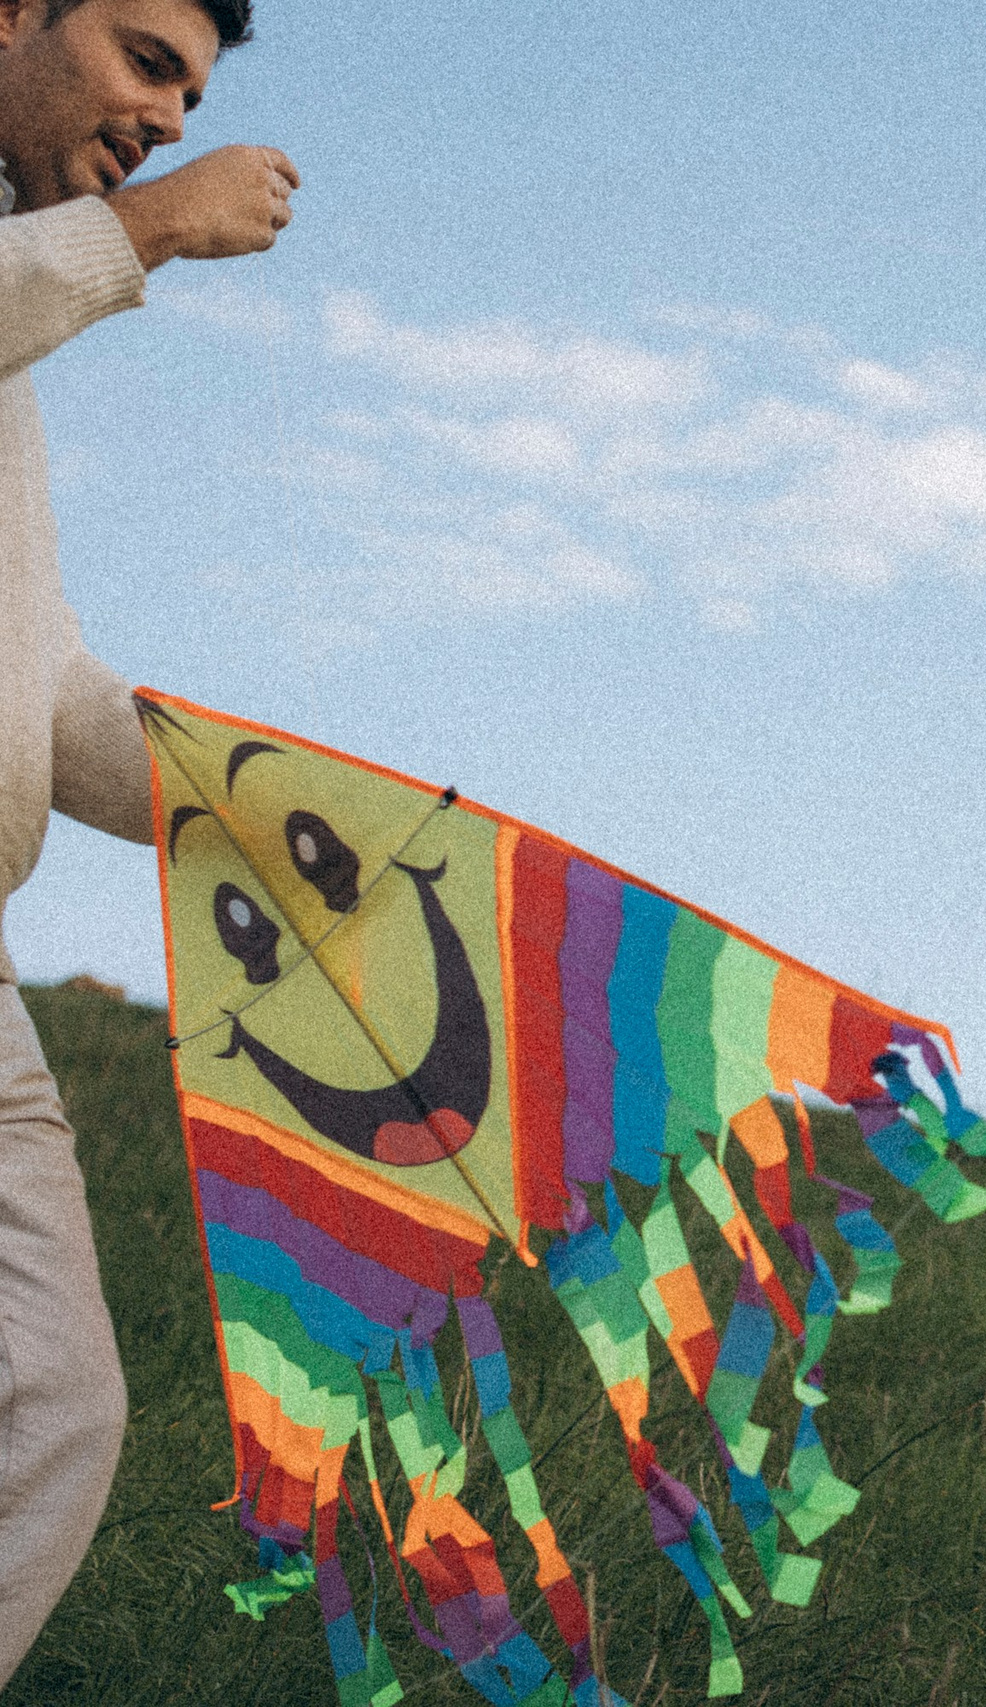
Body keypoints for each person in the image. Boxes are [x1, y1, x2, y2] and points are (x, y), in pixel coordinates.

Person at [0, 0, 295, 1677]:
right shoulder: (62, 260)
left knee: (49, 1405)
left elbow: (28, 676)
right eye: (140, 54)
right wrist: (137, 238)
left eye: (192, 88)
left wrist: (262, 801)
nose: (173, 114)